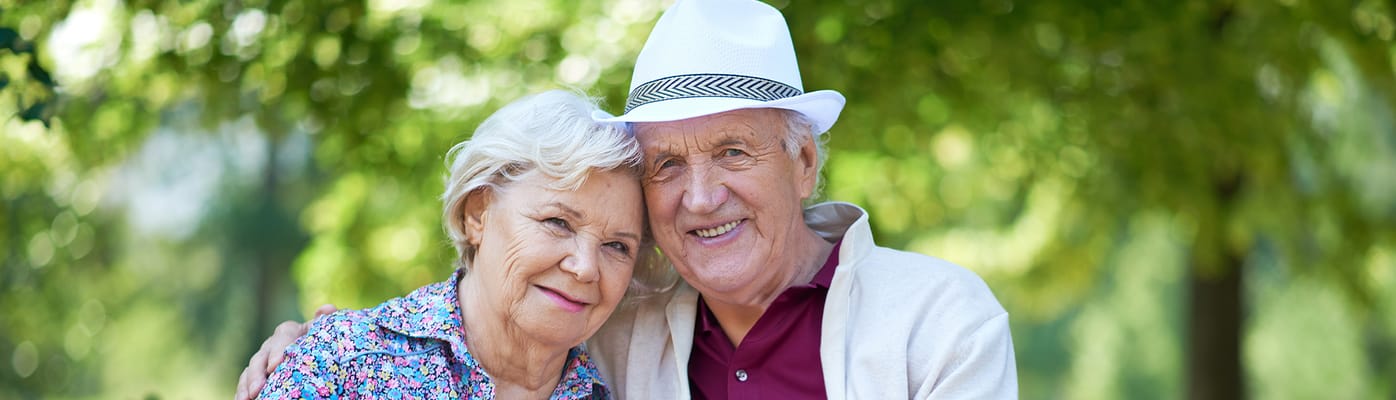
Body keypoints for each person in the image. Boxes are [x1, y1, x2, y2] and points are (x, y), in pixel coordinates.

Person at [239, 0, 1017, 398]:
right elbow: (471, 328)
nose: (701, 196)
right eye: (667, 165)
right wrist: (313, 350)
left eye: (734, 152)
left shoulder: (937, 321)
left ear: (804, 160)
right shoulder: (615, 330)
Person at [247, 90, 669, 399]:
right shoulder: (341, 365)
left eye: (617, 246)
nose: (585, 267)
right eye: (557, 222)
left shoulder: (622, 389)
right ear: (477, 214)